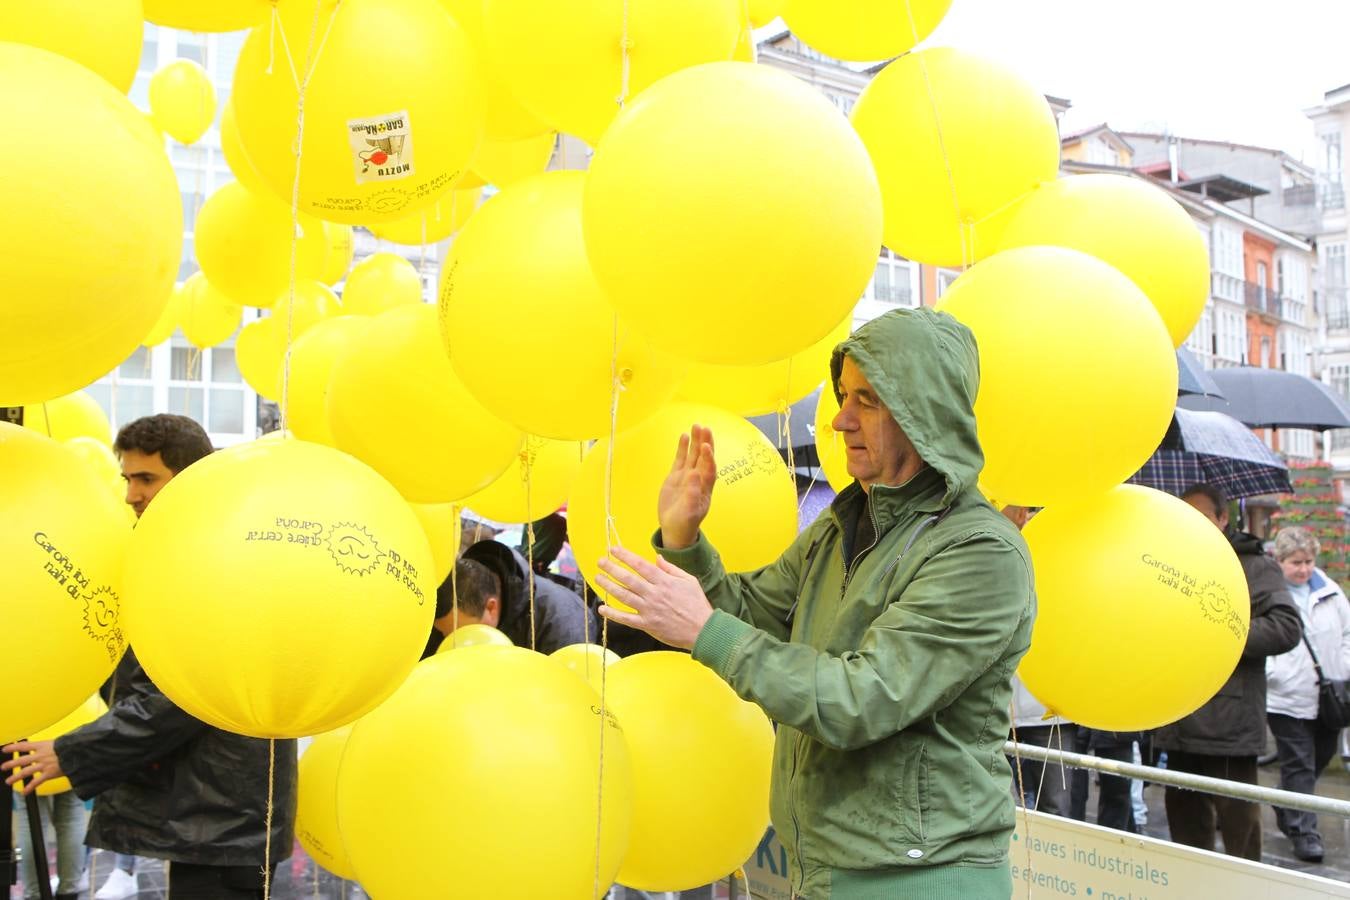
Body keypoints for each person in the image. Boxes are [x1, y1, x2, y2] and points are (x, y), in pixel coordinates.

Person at [594, 309, 1035, 898]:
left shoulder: (979, 552)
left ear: (924, 411)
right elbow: (752, 618)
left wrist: (703, 628)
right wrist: (685, 541)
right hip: (831, 866)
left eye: (869, 400)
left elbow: (865, 698)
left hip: (921, 879)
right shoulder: (841, 525)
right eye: (844, 395)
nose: (842, 420)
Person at [2, 414, 298, 899]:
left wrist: (70, 751)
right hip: (217, 812)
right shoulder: (189, 547)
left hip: (223, 816)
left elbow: (179, 694)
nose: (130, 495)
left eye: (146, 479)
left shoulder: (216, 558)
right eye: (127, 478)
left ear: (189, 479)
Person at [1153, 483, 1300, 860]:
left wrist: (1221, 636)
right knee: (1186, 832)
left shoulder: (1254, 564)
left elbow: (1286, 627)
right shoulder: (1167, 563)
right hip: (1177, 715)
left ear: (1223, 518)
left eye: (1202, 516)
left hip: (1230, 724)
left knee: (1240, 834)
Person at [1265, 525, 1350, 863]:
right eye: (1295, 562)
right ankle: (1305, 833)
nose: (1303, 569)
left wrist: (1342, 668)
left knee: (1317, 759)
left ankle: (1286, 799)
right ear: (1280, 560)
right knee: (1299, 764)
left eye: (1308, 561)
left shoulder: (1330, 591)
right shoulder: (1271, 594)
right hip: (1286, 698)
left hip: (1330, 695)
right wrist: (1277, 674)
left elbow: (1347, 632)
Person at [456, 539, 599, 654]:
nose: (451, 641)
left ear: (491, 607)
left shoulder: (563, 622)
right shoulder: (447, 606)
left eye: (464, 633)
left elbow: (567, 684)